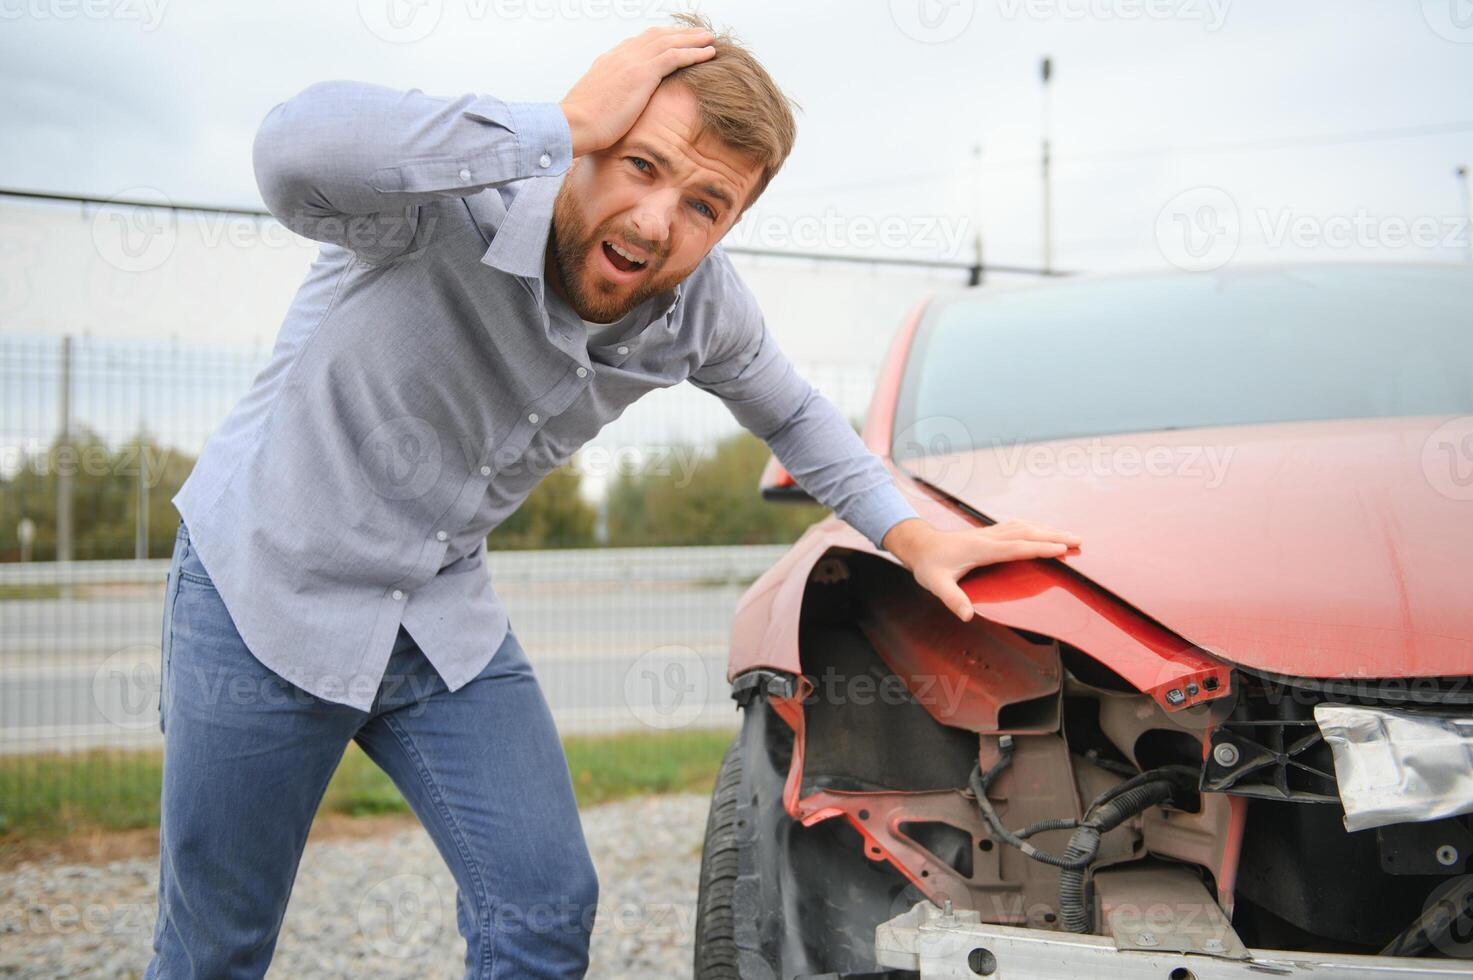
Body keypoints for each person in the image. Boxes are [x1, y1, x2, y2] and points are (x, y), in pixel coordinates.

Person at [146, 13, 1082, 979]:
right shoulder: (450, 198)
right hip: (261, 592)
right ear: (591, 143)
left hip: (432, 615)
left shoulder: (700, 305)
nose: (652, 222)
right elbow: (292, 148)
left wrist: (914, 534)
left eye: (704, 205)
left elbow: (797, 414)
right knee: (217, 947)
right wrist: (558, 118)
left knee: (543, 910)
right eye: (639, 164)